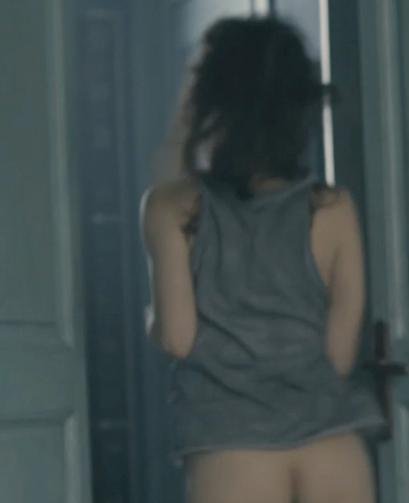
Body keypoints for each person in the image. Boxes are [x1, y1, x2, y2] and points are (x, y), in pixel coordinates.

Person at [141, 17, 385, 503]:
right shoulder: (333, 209)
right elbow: (339, 356)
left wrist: (152, 319)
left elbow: (177, 337)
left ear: (209, 103)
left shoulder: (171, 207)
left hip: (232, 447)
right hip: (332, 442)